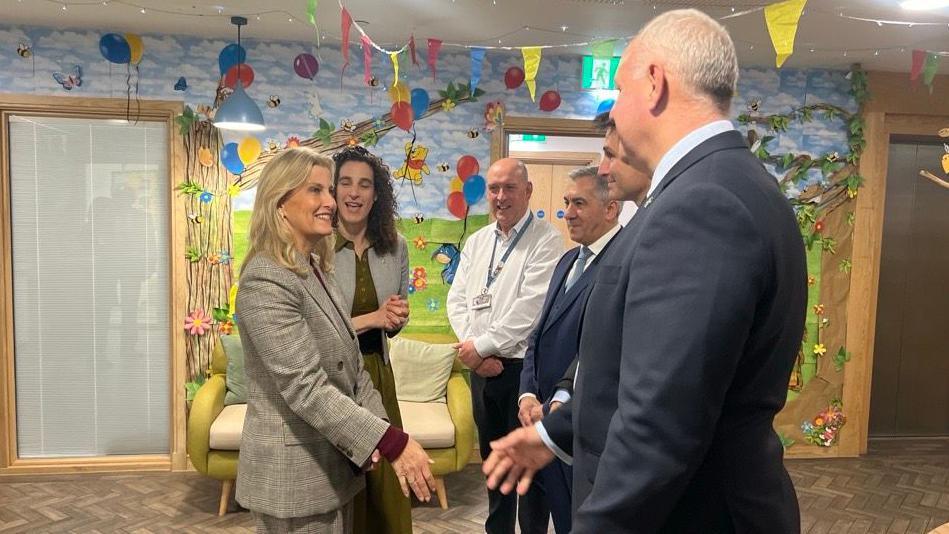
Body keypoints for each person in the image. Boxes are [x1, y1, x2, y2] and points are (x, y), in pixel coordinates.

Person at [484, 9, 807, 533]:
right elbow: (638, 375)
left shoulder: (700, 203)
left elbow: (660, 423)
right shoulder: (724, 183)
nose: (615, 104)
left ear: (654, 82)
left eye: (619, 87)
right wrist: (552, 434)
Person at [234, 148, 435, 534]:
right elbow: (305, 387)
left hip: (329, 468)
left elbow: (355, 366)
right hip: (293, 478)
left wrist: (378, 428)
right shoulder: (266, 279)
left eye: (329, 190)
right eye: (316, 191)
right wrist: (390, 442)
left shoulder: (314, 269)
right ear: (280, 203)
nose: (331, 202)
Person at [446, 157, 563, 534]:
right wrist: (475, 354)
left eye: (509, 188)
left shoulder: (547, 240)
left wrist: (479, 346)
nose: (500, 196)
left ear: (527, 191)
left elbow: (529, 310)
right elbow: (457, 299)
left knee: (529, 468)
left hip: (523, 375)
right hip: (483, 372)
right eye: (494, 188)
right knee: (493, 460)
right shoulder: (479, 241)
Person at [516, 166, 622, 534]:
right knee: (531, 519)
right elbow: (538, 336)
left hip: (578, 432)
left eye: (579, 203)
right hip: (538, 422)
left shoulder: (623, 266)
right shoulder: (566, 261)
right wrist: (527, 395)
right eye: (566, 203)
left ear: (611, 209)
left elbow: (606, 354)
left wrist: (559, 401)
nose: (568, 212)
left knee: (572, 522)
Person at [331, 146, 413, 534]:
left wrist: (396, 318)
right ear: (333, 190)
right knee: (341, 481)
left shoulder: (396, 247)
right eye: (345, 182)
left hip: (377, 374)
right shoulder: (316, 250)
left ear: (376, 195)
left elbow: (393, 320)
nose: (354, 192)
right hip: (331, 381)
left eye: (365, 184)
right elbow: (318, 329)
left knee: (385, 485)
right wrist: (374, 317)